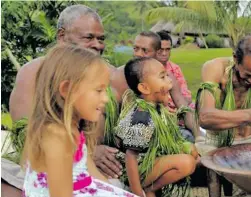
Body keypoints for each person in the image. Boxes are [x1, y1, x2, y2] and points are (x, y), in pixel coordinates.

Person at [3, 5, 128, 194]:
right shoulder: (34, 72)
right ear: (62, 36)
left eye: (101, 38)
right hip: (49, 167)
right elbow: (27, 133)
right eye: (89, 37)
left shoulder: (109, 74)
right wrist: (89, 152)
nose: (97, 44)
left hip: (89, 169)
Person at [21, 44, 136, 197]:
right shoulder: (57, 136)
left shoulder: (72, 128)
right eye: (99, 90)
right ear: (67, 90)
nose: (106, 98)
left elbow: (92, 172)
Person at [114, 57, 198, 197]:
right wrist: (136, 192)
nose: (170, 80)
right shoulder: (142, 116)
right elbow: (131, 156)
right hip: (131, 172)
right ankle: (146, 190)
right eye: (163, 77)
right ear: (145, 88)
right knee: (186, 162)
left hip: (149, 162)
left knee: (191, 151)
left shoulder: (156, 108)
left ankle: (152, 190)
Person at [155, 31, 200, 142]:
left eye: (168, 49)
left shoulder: (174, 69)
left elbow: (186, 96)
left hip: (178, 109)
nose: (164, 53)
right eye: (161, 50)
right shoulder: (148, 70)